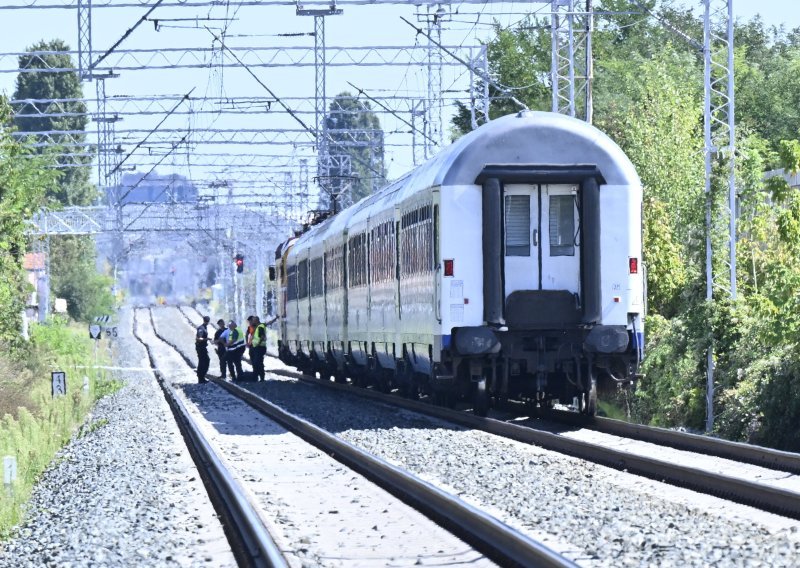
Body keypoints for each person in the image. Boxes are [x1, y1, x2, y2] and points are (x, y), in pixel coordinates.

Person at [250, 316, 267, 381]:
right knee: (257, 362)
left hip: (259, 347)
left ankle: (261, 377)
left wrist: (258, 344)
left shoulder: (260, 327)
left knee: (258, 362)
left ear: (256, 321)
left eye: (254, 320)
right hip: (257, 347)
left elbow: (262, 337)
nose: (253, 321)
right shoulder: (258, 327)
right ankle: (257, 377)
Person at [195, 316, 211, 383]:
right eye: (207, 321)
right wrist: (206, 339)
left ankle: (202, 377)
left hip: (203, 347)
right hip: (200, 347)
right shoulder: (201, 328)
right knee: (203, 362)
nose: (207, 322)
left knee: (205, 361)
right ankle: (201, 377)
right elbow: (199, 338)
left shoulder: (205, 327)